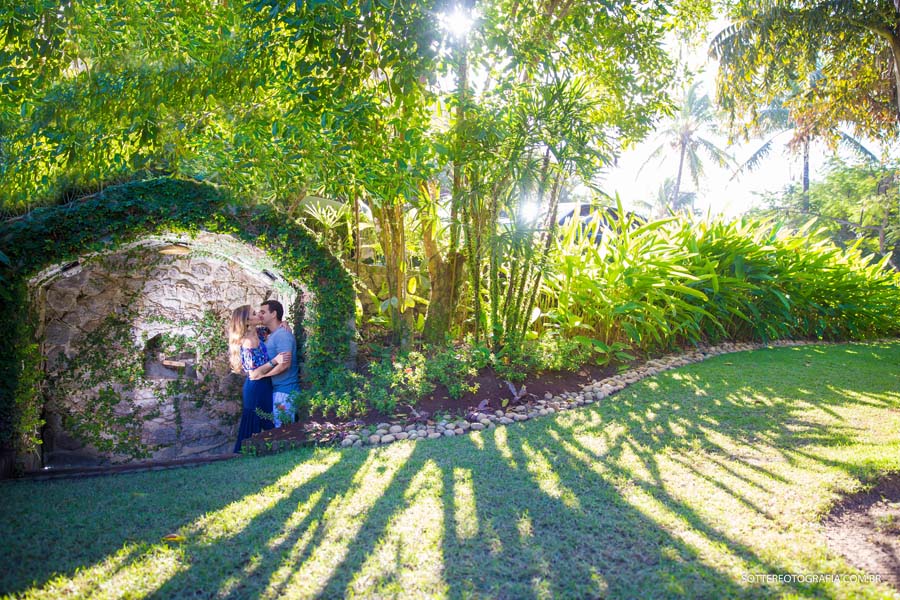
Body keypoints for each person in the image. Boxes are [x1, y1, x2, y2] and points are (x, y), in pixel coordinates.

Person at [228, 305, 290, 453]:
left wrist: (285, 323)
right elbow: (254, 374)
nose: (258, 316)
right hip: (256, 387)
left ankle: (270, 452)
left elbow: (274, 328)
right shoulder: (248, 342)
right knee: (254, 423)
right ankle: (247, 454)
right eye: (254, 314)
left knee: (267, 419)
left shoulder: (259, 332)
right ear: (247, 322)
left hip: (264, 385)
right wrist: (276, 360)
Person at [257, 299, 300, 427]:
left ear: (274, 314)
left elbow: (285, 364)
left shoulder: (282, 335)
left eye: (263, 312)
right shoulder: (271, 334)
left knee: (282, 430)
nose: (260, 315)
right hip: (278, 389)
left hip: (285, 391)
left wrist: (263, 375)